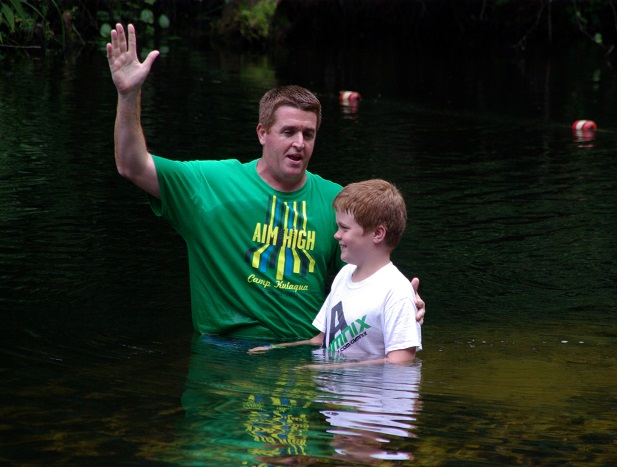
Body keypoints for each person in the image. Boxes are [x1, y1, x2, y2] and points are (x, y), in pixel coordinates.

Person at [105, 23, 424, 339]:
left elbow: (370, 272)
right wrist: (128, 95)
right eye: (289, 132)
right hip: (225, 352)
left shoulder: (336, 202)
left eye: (308, 134)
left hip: (305, 352)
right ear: (262, 133)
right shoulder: (210, 184)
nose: (299, 143)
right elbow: (131, 165)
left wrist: (400, 303)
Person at [249, 179, 422, 365]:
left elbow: (401, 361)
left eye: (344, 228)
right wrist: (276, 348)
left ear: (378, 234)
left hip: (364, 384)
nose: (336, 235)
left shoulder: (396, 291)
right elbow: (320, 340)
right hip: (333, 380)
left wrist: (333, 368)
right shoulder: (344, 274)